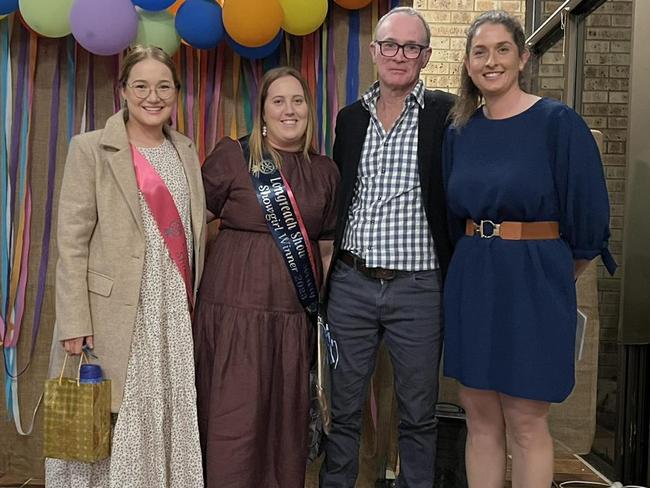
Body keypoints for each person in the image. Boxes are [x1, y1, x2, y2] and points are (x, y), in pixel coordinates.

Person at [442, 10, 616, 488]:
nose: (491, 61)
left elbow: (590, 221)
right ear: (468, 63)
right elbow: (452, 216)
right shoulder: (460, 131)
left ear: (522, 58)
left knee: (525, 420)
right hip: (474, 278)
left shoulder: (558, 124)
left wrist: (550, 273)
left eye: (502, 50)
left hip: (536, 281)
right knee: (479, 417)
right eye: (480, 51)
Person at [45, 45, 206, 488]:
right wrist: (74, 319)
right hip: (113, 315)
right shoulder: (92, 148)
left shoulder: (185, 151)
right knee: (107, 423)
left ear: (176, 93)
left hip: (171, 314)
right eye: (141, 86)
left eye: (163, 86)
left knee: (163, 414)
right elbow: (71, 244)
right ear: (123, 91)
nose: (152, 96)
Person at [319, 7, 456, 488]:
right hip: (351, 286)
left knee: (418, 413)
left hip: (419, 289)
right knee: (343, 409)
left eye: (412, 47)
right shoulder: (350, 118)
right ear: (374, 51)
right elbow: (341, 195)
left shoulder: (448, 114)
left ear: (426, 55)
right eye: (390, 45)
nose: (400, 55)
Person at [193, 66, 339, 488]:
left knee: (282, 426)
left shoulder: (325, 171)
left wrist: (317, 313)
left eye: (297, 101)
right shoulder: (232, 157)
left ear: (309, 111)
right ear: (262, 112)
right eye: (278, 101)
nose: (289, 110)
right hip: (232, 317)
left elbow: (326, 248)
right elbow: (189, 225)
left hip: (293, 321)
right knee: (232, 420)